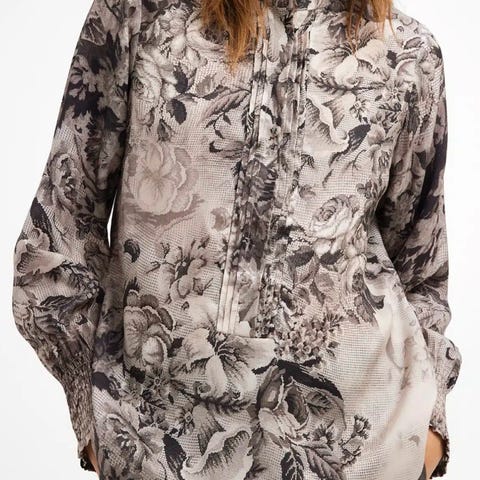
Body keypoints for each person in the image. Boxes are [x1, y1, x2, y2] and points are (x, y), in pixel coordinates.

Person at [11, 0, 462, 478]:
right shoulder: (142, 17)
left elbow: (421, 271)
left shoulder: (407, 55)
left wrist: (427, 433)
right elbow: (58, 230)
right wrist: (100, 422)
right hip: (164, 456)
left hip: (363, 457)